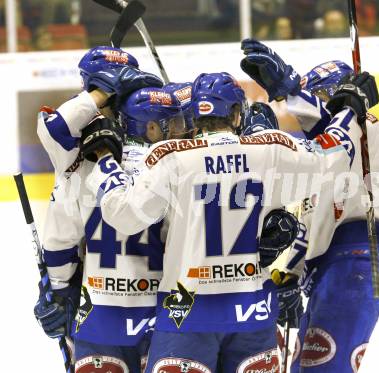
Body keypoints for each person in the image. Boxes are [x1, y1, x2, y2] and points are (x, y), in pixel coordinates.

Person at [82, 65, 361, 371]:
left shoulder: (170, 157)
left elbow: (125, 216)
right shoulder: (270, 150)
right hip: (253, 313)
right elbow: (335, 158)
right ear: (237, 115)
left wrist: (105, 161)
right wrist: (348, 111)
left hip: (186, 315)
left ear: (194, 118)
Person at [240, 39, 379, 373]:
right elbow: (307, 228)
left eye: (324, 97)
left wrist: (294, 92)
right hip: (337, 271)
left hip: (355, 268)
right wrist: (286, 278)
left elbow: (335, 132)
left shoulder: (364, 128)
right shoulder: (330, 150)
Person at [33, 46, 184, 372]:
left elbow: (60, 236)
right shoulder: (174, 166)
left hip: (97, 311)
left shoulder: (81, 160)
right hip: (157, 309)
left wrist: (58, 289)